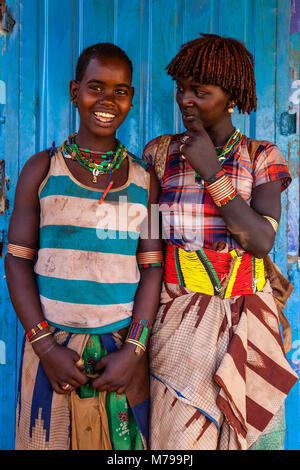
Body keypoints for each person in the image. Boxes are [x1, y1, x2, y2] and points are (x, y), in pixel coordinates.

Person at [142, 33, 298, 450]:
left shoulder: (262, 155)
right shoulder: (160, 154)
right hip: (178, 319)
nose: (185, 100)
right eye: (181, 89)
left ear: (232, 97)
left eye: (200, 91)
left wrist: (213, 173)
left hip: (248, 319)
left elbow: (261, 240)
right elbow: (149, 240)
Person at [5, 43, 163, 450]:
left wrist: (134, 350)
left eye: (121, 91)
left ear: (131, 98)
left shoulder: (147, 182)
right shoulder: (41, 169)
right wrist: (43, 345)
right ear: (75, 91)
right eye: (96, 87)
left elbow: (153, 268)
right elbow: (17, 260)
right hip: (51, 352)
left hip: (121, 352)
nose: (107, 101)